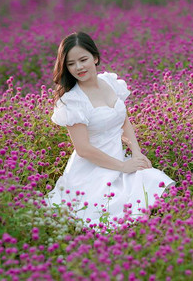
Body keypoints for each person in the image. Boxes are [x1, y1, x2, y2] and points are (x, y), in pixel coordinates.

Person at [44, 31, 175, 228]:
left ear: (95, 58)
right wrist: (123, 167)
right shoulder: (72, 101)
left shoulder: (111, 83)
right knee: (108, 211)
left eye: (83, 59)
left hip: (120, 158)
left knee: (161, 184)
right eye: (71, 63)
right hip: (92, 168)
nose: (78, 67)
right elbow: (83, 149)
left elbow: (123, 121)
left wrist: (136, 154)